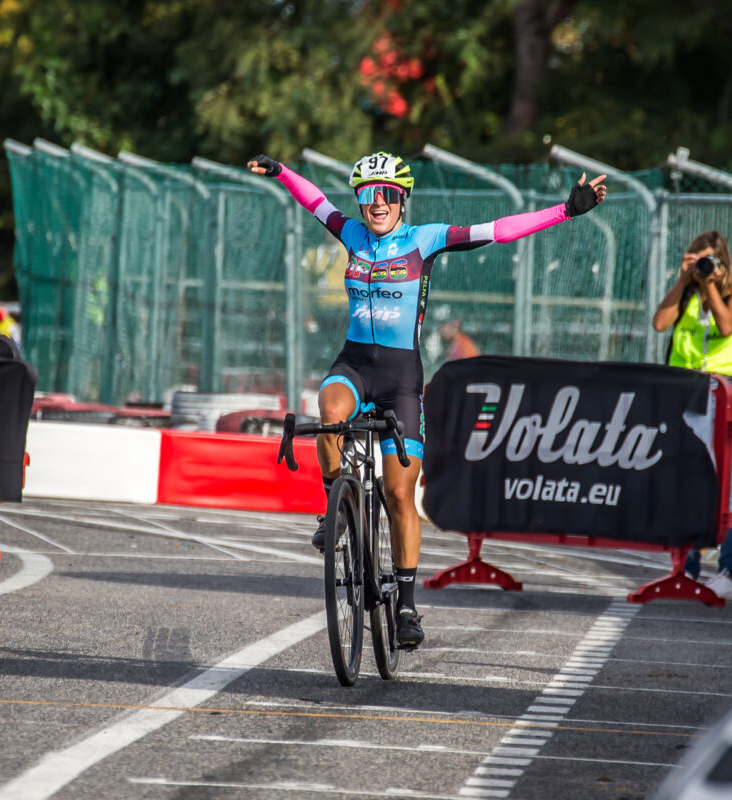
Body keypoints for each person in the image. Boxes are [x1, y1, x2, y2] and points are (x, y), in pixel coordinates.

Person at [247, 151, 606, 648]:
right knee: (327, 414)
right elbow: (315, 203)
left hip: (400, 381)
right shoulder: (351, 234)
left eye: (387, 194)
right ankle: (334, 509)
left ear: (402, 199)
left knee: (398, 494)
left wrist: (563, 212)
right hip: (353, 365)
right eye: (367, 194)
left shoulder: (425, 239)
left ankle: (408, 607)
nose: (376, 203)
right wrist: (283, 172)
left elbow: (498, 230)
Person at [652, 230, 732, 601]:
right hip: (687, 391)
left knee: (729, 488)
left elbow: (728, 325)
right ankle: (686, 568)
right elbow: (660, 323)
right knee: (687, 483)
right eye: (697, 259)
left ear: (723, 262)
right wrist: (684, 279)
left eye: (709, 259)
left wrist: (710, 284)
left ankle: (729, 571)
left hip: (728, 393)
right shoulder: (687, 293)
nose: (703, 266)